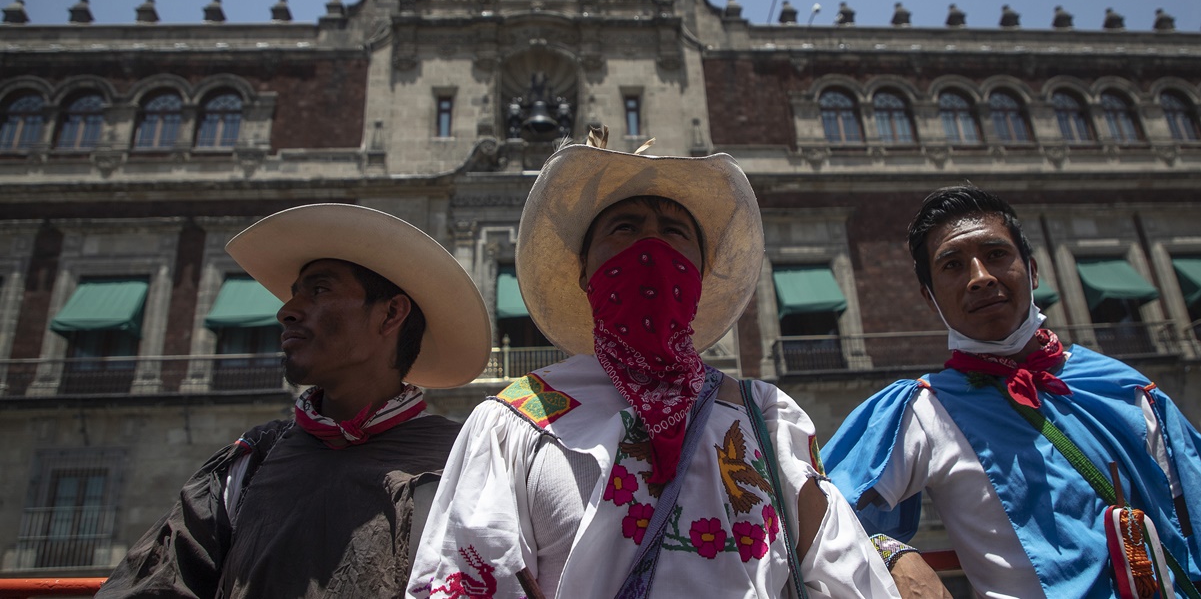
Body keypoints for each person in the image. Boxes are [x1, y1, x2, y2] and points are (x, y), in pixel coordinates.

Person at [408, 132, 900, 598]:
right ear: (584, 273)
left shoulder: (769, 419)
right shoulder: (511, 424)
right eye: (625, 228)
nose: (651, 246)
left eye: (674, 232)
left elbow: (847, 577)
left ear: (700, 275)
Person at [823, 185, 1201, 598]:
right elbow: (812, 511)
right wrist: (891, 553)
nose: (981, 278)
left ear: (1033, 271)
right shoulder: (920, 413)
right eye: (952, 265)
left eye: (996, 255)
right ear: (929, 299)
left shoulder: (1126, 389)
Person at [97, 203, 492, 598]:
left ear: (390, 314)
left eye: (319, 290)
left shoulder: (463, 466)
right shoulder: (246, 466)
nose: (286, 312)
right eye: (294, 295)